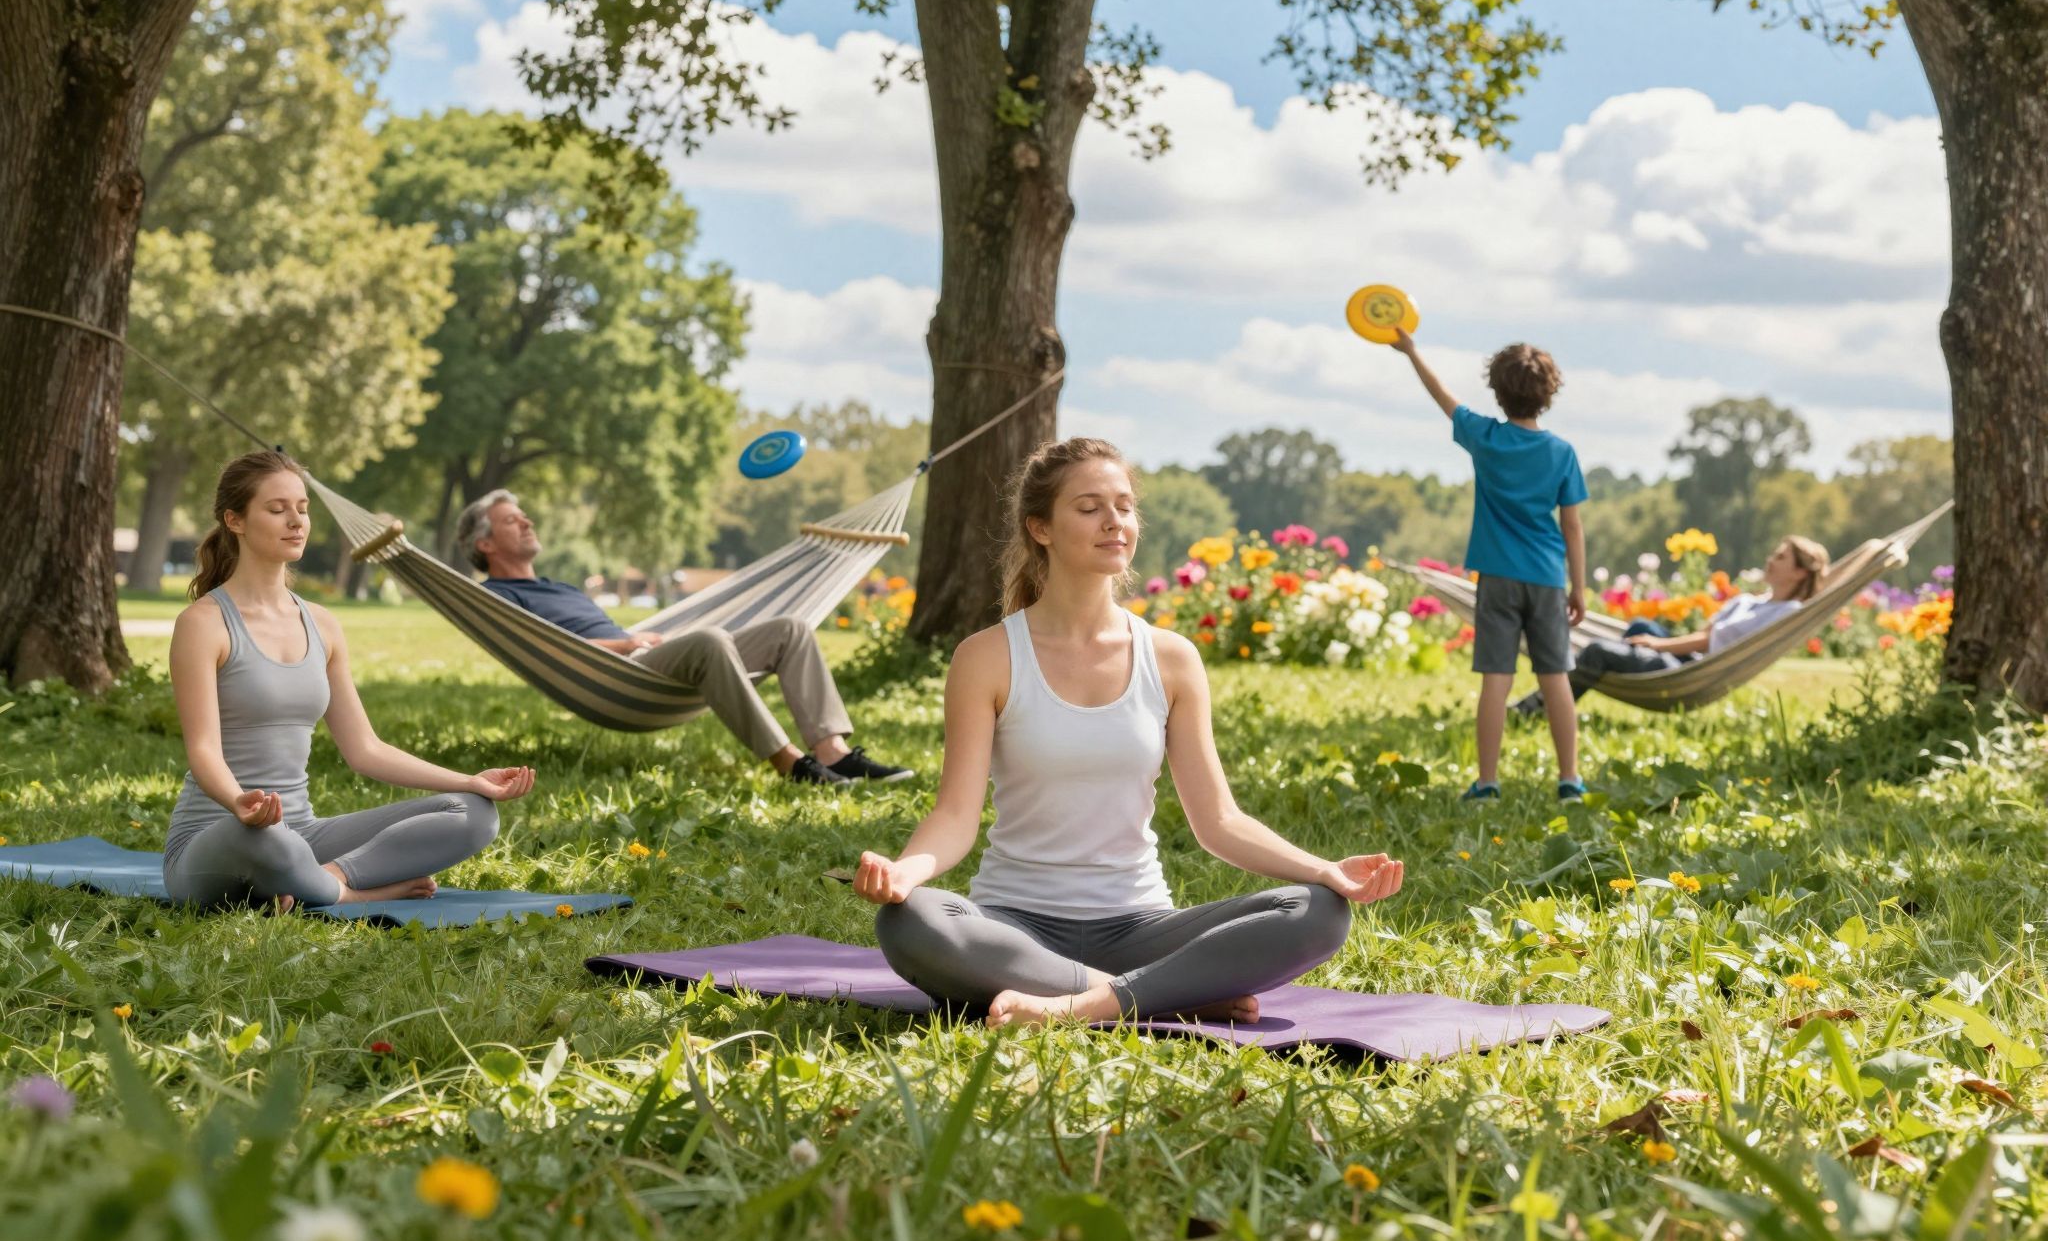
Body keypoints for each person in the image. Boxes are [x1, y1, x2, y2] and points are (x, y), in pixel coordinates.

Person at [852, 437, 1404, 1028]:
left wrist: (1323, 870)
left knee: (1320, 912)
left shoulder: (1172, 658)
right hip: (1014, 926)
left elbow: (1219, 822)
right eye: (1089, 508)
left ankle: (1086, 1004)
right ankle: (1158, 996)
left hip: (1140, 926)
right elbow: (955, 816)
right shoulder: (986, 657)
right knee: (910, 921)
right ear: (1040, 528)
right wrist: (906, 872)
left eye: (1124, 506)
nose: (1114, 521)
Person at [166, 452, 534, 912]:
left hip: (302, 834)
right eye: (277, 510)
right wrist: (239, 801)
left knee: (474, 814)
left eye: (302, 508)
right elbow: (203, 749)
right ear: (235, 520)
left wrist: (471, 781)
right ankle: (355, 894)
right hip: (219, 835)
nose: (296, 521)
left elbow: (365, 750)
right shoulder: (203, 623)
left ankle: (323, 880)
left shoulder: (321, 624)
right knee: (266, 842)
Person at [456, 491, 910, 788]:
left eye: (525, 515)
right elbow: (552, 654)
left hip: (645, 659)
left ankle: (835, 753)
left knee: (790, 629)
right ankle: (791, 764)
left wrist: (640, 643)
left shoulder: (561, 587)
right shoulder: (499, 597)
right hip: (614, 675)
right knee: (710, 640)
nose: (528, 522)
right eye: (512, 520)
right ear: (486, 545)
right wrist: (629, 646)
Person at [1388, 330, 1588, 802]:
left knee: (1496, 680)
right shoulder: (1562, 453)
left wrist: (1413, 350)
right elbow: (1573, 527)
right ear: (1550, 393)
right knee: (1554, 677)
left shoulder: (1486, 438)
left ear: (1497, 392)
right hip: (1545, 579)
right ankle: (1570, 780)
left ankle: (1488, 782)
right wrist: (1578, 588)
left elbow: (1443, 396)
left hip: (1497, 578)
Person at [1512, 535, 1831, 711]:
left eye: (1780, 558)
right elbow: (1705, 632)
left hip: (1694, 672)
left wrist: (1658, 645)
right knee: (1639, 626)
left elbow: (1710, 642)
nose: (1770, 560)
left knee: (1597, 651)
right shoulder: (1751, 600)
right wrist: (1654, 641)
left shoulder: (1786, 612)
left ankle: (1538, 706)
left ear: (1800, 572)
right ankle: (1616, 663)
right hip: (1686, 657)